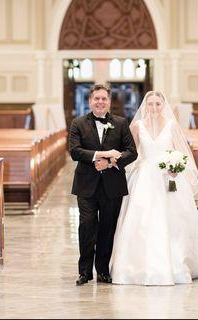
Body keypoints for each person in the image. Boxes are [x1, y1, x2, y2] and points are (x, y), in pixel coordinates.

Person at [110, 91, 198, 285]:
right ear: (145, 106)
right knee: (142, 218)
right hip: (144, 176)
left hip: (169, 177)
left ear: (164, 105)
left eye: (158, 104)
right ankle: (136, 267)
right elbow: (130, 152)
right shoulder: (137, 126)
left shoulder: (172, 125)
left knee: (174, 219)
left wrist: (176, 167)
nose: (154, 108)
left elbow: (181, 153)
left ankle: (178, 263)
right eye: (150, 104)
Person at [69, 84, 137, 286]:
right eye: (96, 98)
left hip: (112, 184)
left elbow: (131, 152)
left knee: (107, 229)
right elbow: (75, 151)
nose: (100, 102)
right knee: (86, 227)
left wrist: (110, 162)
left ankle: (103, 271)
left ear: (109, 102)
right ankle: (84, 272)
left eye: (103, 99)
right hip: (86, 184)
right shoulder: (78, 123)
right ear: (90, 101)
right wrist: (100, 155)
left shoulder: (121, 122)